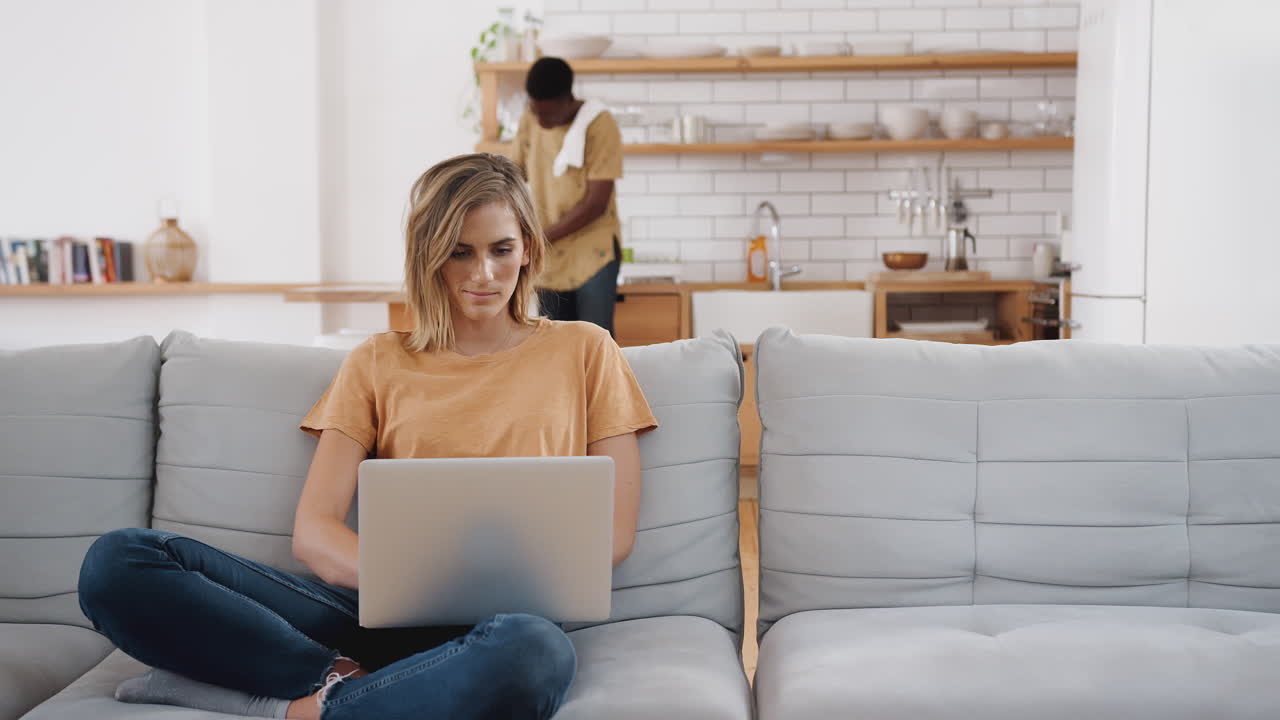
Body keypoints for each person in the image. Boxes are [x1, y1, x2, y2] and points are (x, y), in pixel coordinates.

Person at [76, 153, 658, 720]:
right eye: (459, 253)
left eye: (501, 249)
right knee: (119, 562)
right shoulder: (378, 360)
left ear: (527, 247)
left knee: (538, 654)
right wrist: (418, 580)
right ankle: (347, 680)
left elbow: (612, 535)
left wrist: (492, 583)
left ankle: (302, 709)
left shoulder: (586, 350)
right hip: (371, 612)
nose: (483, 273)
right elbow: (315, 531)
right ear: (429, 257)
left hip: (508, 625)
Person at [512, 57, 624, 336]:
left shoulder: (599, 124)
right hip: (549, 256)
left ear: (567, 100)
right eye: (536, 113)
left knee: (596, 342)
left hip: (593, 254)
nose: (541, 121)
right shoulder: (530, 118)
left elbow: (596, 204)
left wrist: (541, 237)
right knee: (553, 344)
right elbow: (513, 174)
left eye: (547, 116)